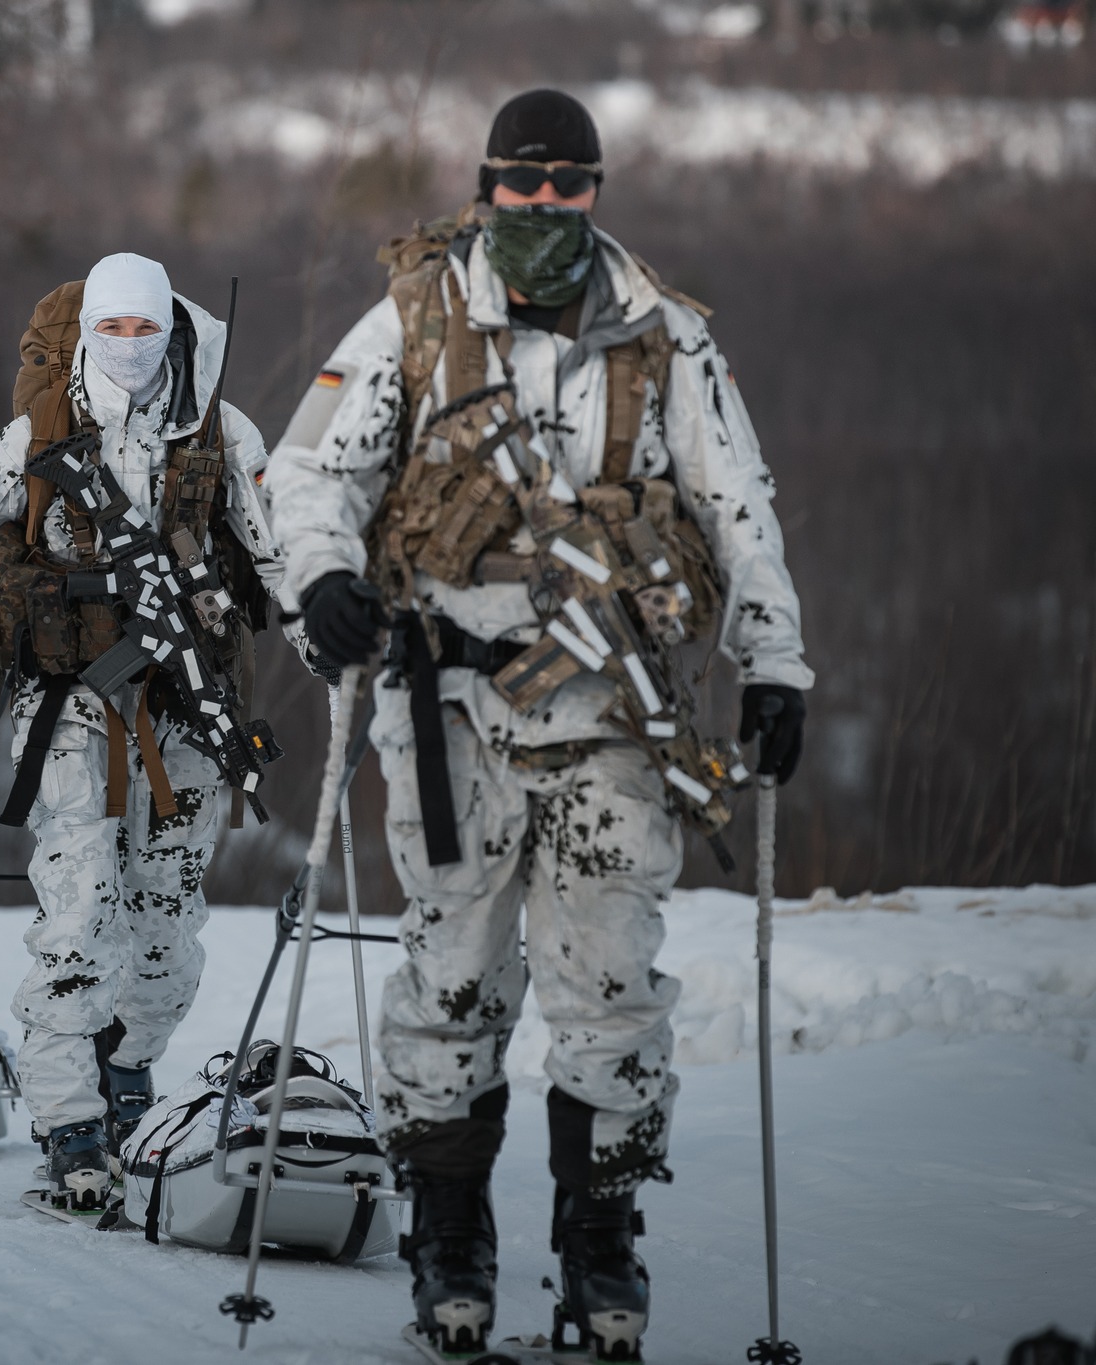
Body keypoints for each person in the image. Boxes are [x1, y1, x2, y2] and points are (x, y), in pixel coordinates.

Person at [265, 91, 812, 1359]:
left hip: (614, 710)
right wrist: (320, 581)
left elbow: (740, 506)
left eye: (569, 187)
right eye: (523, 185)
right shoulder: (415, 318)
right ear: (485, 185)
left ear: (596, 191)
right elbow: (309, 471)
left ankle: (599, 1234)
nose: (544, 208)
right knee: (451, 974)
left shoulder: (666, 339)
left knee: (609, 983)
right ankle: (447, 1229)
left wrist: (772, 660)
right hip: (444, 702)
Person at [0, 253, 315, 1210]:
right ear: (89, 333)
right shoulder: (39, 428)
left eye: (145, 329)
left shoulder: (221, 426)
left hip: (188, 704)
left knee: (167, 927)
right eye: (112, 330)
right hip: (70, 699)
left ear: (171, 328)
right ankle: (69, 1121)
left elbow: (283, 544)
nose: (129, 347)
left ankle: (130, 1080)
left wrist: (321, 622)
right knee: (82, 914)